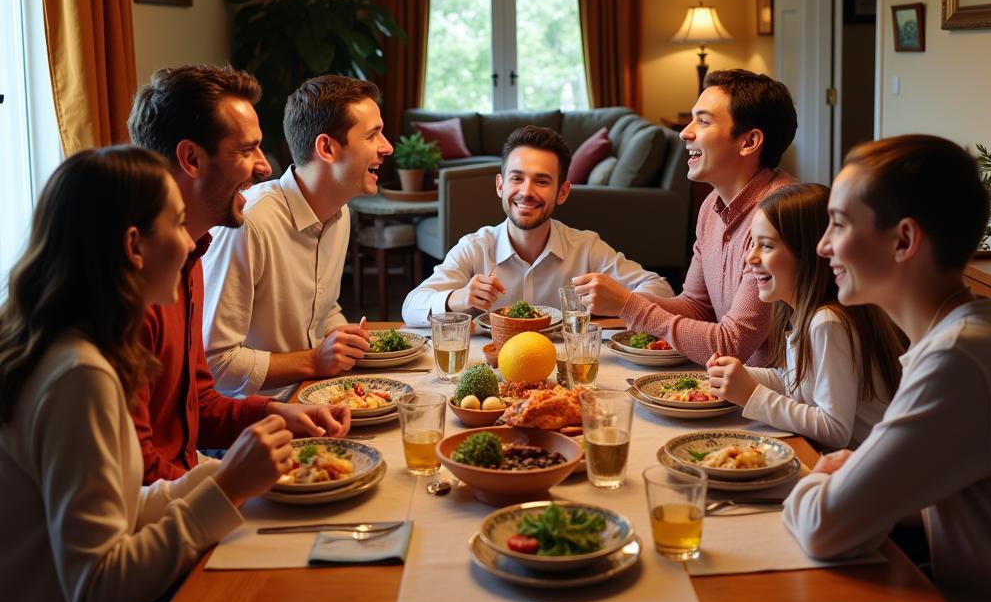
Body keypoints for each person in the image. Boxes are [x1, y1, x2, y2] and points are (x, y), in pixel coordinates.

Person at [0, 146, 293, 602]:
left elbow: (122, 510)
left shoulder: (60, 345)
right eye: (178, 225)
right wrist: (227, 489)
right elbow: (96, 591)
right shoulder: (77, 377)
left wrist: (224, 477)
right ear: (134, 246)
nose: (189, 244)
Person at [782, 135, 991, 602]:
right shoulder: (962, 337)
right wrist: (856, 475)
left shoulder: (959, 359)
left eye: (838, 224)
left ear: (904, 240)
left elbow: (821, 527)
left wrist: (820, 475)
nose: (821, 247)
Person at [127, 65, 350, 484]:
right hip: (167, 508)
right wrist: (230, 485)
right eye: (246, 150)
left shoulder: (191, 257)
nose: (265, 167)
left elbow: (199, 403)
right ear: (191, 159)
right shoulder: (134, 289)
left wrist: (278, 413)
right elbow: (141, 476)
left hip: (189, 484)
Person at [573, 69, 798, 365]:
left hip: (773, 398)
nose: (684, 132)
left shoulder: (779, 215)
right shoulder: (711, 207)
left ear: (749, 142)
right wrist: (616, 301)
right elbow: (696, 306)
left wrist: (627, 305)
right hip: (730, 387)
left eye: (703, 121)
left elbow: (732, 344)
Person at [203, 75, 390, 400]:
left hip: (316, 396)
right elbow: (215, 363)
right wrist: (314, 361)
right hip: (248, 428)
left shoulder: (339, 212)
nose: (387, 147)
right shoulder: (249, 224)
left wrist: (349, 341)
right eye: (373, 135)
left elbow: (322, 308)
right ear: (326, 148)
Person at [401, 125, 673, 325]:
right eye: (517, 178)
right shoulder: (475, 247)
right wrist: (457, 299)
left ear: (563, 192)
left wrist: (621, 301)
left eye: (542, 181)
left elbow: (660, 289)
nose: (526, 192)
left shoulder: (586, 247)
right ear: (500, 185)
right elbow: (410, 307)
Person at [705, 183, 903, 447]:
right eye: (753, 244)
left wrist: (752, 395)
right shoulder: (805, 314)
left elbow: (835, 429)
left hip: (863, 468)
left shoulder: (828, 322)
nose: (750, 258)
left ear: (807, 254)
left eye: (766, 246)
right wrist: (742, 375)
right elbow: (798, 384)